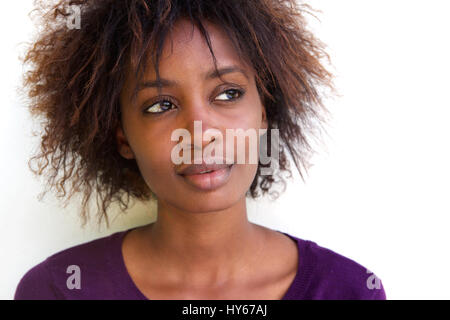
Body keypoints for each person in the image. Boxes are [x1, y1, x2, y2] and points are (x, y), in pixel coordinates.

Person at [14, 0, 386, 300]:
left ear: (264, 112)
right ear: (123, 137)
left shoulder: (348, 290)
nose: (199, 133)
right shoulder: (57, 290)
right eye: (160, 104)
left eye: (228, 94)